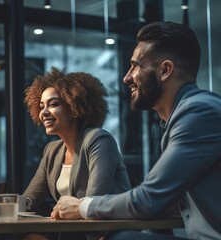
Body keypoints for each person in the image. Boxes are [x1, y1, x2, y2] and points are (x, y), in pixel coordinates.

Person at [51, 21, 221, 240]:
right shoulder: (189, 115)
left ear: (165, 70)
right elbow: (162, 200)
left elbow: (148, 199)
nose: (126, 77)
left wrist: (82, 206)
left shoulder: (198, 113)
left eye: (136, 66)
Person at [22, 67, 131, 240]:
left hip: (105, 235)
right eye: (41, 106)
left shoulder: (99, 140)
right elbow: (28, 202)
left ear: (74, 107)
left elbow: (93, 202)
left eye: (53, 104)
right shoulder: (52, 151)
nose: (44, 112)